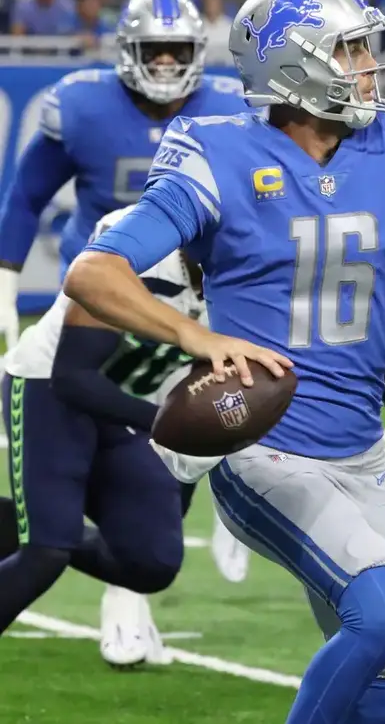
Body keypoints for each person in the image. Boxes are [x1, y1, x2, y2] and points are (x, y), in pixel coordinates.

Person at [63, 0, 385, 724]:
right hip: (264, 446)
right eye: (353, 49)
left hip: (361, 452)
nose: (370, 63)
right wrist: (195, 335)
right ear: (293, 63)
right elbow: (92, 271)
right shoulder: (215, 150)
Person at [0, 0, 253, 588]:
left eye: (177, 50)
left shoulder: (230, 119)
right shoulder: (87, 115)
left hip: (149, 344)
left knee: (153, 555)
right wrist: (6, 286)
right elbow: (28, 195)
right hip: (85, 323)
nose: (166, 63)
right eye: (153, 49)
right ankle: (45, 526)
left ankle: (31, 523)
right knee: (49, 548)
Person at [0, 206, 204, 667]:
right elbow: (72, 376)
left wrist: (186, 466)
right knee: (46, 554)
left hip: (126, 409)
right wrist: (164, 424)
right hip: (50, 389)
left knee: (150, 564)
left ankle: (14, 520)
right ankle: (43, 526)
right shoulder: (141, 246)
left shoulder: (252, 283)